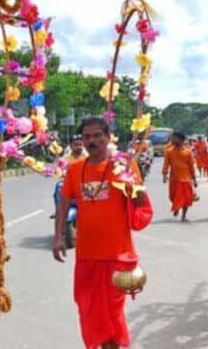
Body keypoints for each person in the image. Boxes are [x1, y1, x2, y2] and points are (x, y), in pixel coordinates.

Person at [52, 117, 153, 349]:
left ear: (108, 137)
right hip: (87, 255)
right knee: (88, 308)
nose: (92, 141)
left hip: (116, 254)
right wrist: (58, 237)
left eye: (97, 135)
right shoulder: (76, 169)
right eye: (87, 137)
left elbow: (140, 203)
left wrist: (131, 184)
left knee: (112, 312)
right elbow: (63, 204)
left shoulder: (124, 167)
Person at [162, 132, 197, 222]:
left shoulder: (188, 152)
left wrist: (194, 179)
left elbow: (191, 166)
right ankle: (176, 206)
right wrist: (164, 175)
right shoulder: (169, 151)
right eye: (172, 138)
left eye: (174, 138)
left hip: (186, 178)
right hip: (174, 178)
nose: (172, 140)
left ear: (181, 140)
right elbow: (166, 164)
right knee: (172, 196)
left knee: (186, 198)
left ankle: (184, 216)